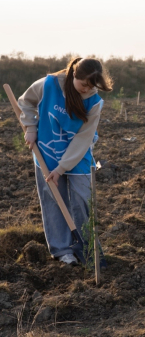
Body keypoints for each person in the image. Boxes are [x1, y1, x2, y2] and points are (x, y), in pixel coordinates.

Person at [17, 58, 113, 265]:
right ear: (73, 76)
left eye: (92, 86)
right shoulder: (48, 84)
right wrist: (31, 128)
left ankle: (87, 248)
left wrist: (62, 168)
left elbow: (83, 138)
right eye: (83, 85)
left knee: (82, 200)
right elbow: (25, 101)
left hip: (78, 154)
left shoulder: (94, 102)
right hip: (47, 150)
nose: (87, 90)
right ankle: (61, 250)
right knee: (53, 200)